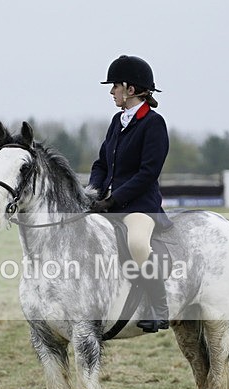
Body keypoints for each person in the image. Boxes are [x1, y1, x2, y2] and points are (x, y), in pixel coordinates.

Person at [89, 55, 171, 333]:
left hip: (139, 206)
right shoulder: (117, 120)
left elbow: (147, 173)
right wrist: (93, 192)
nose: (112, 92)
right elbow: (101, 163)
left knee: (137, 243)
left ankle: (160, 306)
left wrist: (113, 199)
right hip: (110, 204)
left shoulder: (154, 124)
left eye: (115, 86)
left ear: (130, 89)